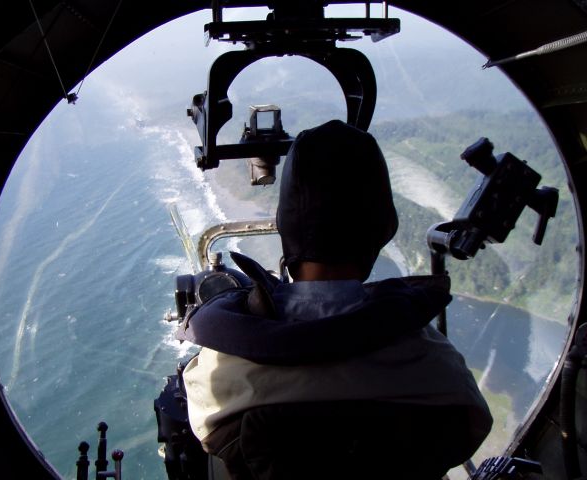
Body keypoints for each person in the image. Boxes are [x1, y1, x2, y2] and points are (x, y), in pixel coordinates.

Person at [177, 119, 492, 479]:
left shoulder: (218, 377)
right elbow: (469, 430)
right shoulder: (439, 371)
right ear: (382, 229)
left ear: (287, 225)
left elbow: (204, 433)